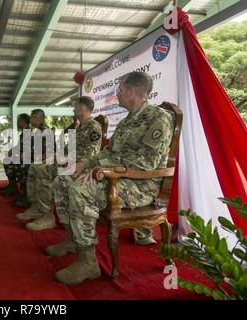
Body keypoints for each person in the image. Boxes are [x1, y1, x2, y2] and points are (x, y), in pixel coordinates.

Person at [50, 71, 174, 285]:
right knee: (63, 180)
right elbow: (108, 153)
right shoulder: (128, 120)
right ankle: (73, 240)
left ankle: (88, 262)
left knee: (80, 190)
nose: (117, 95)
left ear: (131, 91)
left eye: (120, 90)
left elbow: (146, 162)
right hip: (116, 177)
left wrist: (102, 169)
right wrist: (85, 164)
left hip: (139, 186)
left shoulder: (159, 117)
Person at [18, 98, 103, 232]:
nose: (73, 110)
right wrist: (54, 156)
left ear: (82, 108)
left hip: (80, 168)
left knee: (43, 171)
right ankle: (36, 207)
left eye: (75, 107)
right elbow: (68, 149)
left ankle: (47, 217)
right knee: (35, 166)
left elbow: (90, 154)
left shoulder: (94, 127)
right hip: (68, 163)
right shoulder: (79, 127)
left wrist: (61, 158)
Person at [0, 113, 31, 198]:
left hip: (29, 159)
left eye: (18, 121)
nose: (17, 123)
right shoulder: (24, 133)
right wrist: (12, 150)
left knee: (20, 165)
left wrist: (15, 152)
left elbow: (28, 149)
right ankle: (12, 186)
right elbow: (20, 146)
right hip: (22, 157)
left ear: (24, 122)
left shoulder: (29, 132)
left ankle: (25, 190)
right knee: (7, 160)